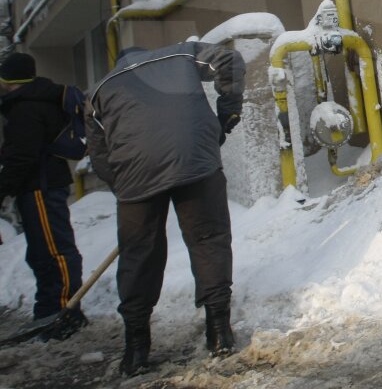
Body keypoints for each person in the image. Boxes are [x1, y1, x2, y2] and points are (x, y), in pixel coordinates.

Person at [88, 41, 245, 376]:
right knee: (208, 239)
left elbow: (100, 156)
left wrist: (128, 191)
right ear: (148, 54)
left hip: (134, 173)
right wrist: (228, 110)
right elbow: (229, 59)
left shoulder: (100, 89)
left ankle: (136, 350)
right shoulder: (180, 53)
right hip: (195, 159)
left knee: (138, 254)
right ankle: (220, 333)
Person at [0, 52, 86, 339]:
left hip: (41, 186)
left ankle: (64, 314)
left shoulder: (26, 107)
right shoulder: (31, 102)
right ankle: (48, 312)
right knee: (42, 252)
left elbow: (22, 156)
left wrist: (3, 188)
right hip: (39, 186)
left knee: (54, 252)